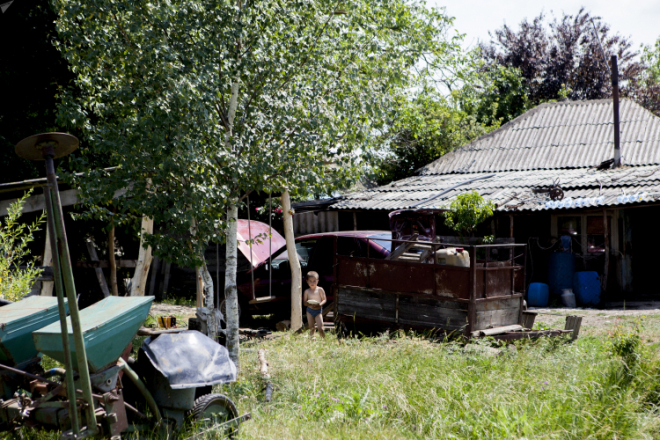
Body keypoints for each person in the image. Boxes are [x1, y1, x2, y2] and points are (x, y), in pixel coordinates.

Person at [303, 271, 327, 338]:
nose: (312, 283)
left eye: (314, 281)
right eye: (310, 281)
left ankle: (324, 341)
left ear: (317, 281)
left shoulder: (320, 289)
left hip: (318, 311)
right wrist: (308, 303)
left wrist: (320, 304)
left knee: (321, 328)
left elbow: (324, 299)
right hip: (309, 311)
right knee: (311, 328)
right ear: (307, 281)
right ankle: (311, 341)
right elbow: (304, 303)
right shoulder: (307, 291)